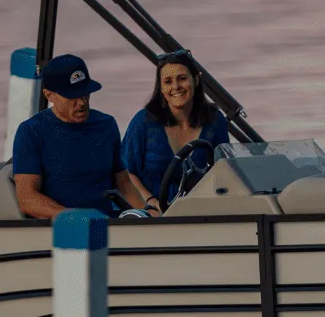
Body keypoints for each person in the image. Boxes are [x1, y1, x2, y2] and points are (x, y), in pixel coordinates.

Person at [12, 53, 159, 218]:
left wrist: (147, 213)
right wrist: (77, 218)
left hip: (108, 225)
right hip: (60, 227)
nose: (82, 103)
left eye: (85, 93)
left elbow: (123, 183)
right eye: (72, 97)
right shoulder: (30, 132)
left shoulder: (106, 125)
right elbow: (27, 199)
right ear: (49, 95)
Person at [121, 51, 230, 209]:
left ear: (196, 80)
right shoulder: (143, 121)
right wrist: (150, 204)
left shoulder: (215, 120)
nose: (176, 87)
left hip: (200, 213)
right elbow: (125, 174)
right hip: (151, 215)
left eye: (182, 78)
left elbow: (225, 171)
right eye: (168, 81)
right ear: (161, 88)